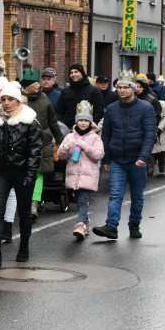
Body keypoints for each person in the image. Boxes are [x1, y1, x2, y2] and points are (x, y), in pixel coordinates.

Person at [0, 81, 42, 266]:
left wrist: (31, 175)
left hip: (22, 173)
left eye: (10, 99)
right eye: (3, 99)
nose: (6, 102)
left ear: (18, 101)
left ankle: (24, 245)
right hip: (1, 172)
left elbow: (34, 152)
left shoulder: (31, 122)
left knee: (24, 213)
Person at [92, 70, 157, 240]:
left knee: (137, 195)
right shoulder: (112, 109)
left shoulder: (146, 108)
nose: (121, 90)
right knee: (115, 194)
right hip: (118, 160)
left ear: (134, 89)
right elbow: (106, 135)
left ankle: (134, 224)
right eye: (119, 87)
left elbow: (150, 135)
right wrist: (106, 159)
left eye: (125, 87)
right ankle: (111, 226)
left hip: (137, 160)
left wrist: (144, 157)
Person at [57, 101, 104, 240]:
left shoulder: (95, 137)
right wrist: (66, 148)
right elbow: (60, 156)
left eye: (86, 121)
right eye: (81, 120)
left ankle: (80, 225)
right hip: (73, 174)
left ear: (90, 123)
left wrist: (85, 147)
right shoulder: (70, 136)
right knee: (78, 200)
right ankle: (86, 221)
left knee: (83, 200)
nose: (83, 123)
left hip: (88, 175)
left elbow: (99, 155)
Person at [20, 69, 63, 220]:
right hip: (23, 142)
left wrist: (60, 141)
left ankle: (34, 205)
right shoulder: (18, 99)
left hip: (42, 141)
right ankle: (24, 203)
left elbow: (52, 121)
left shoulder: (44, 97)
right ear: (28, 87)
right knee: (25, 174)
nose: (39, 85)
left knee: (38, 174)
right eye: (36, 83)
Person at [136, 78, 165, 176]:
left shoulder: (151, 98)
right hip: (136, 129)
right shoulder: (133, 98)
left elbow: (157, 114)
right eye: (136, 86)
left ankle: (153, 166)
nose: (138, 89)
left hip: (150, 128)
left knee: (153, 149)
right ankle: (145, 170)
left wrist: (153, 127)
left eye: (140, 87)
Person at [56, 63, 104, 127]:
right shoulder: (66, 91)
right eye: (71, 72)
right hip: (69, 128)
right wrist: (61, 125)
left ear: (82, 73)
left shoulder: (93, 90)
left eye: (76, 72)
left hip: (88, 128)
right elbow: (59, 111)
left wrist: (91, 124)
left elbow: (99, 111)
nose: (73, 74)